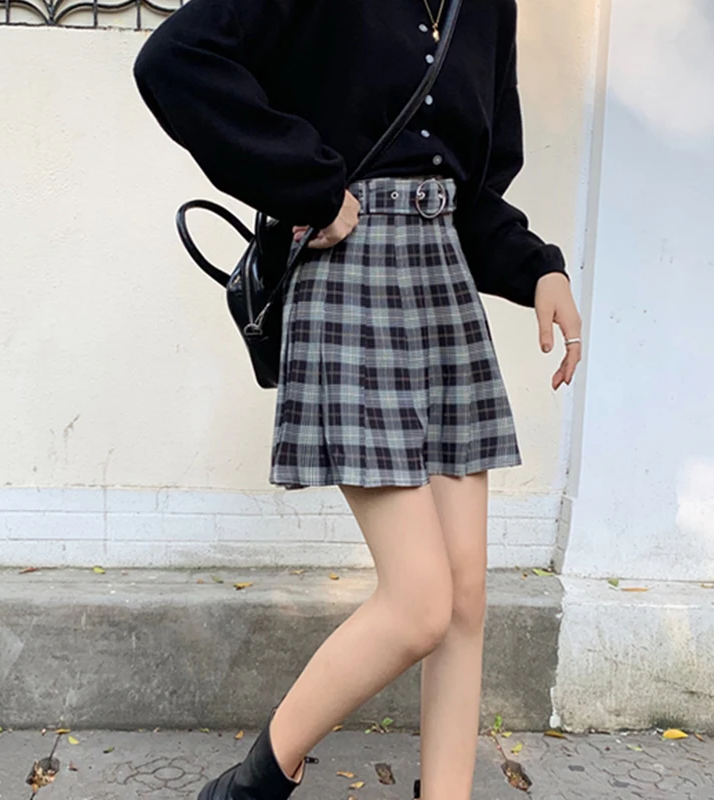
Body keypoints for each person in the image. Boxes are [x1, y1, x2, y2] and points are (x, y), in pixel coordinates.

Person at [133, 0, 582, 797]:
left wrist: (539, 268)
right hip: (350, 280)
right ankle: (252, 784)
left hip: (443, 288)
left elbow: (474, 188)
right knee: (420, 602)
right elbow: (174, 60)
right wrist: (308, 184)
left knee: (466, 595)